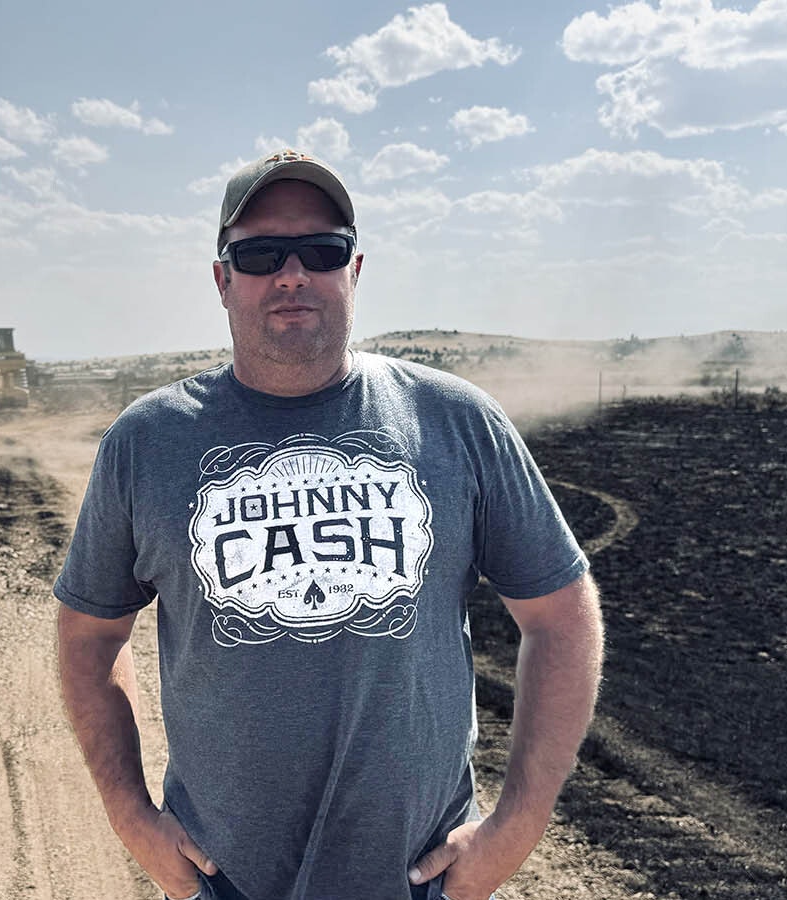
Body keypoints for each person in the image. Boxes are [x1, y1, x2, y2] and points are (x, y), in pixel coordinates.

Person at [55, 148, 604, 900]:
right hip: (227, 887)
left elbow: (563, 616)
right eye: (258, 254)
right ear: (222, 279)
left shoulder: (457, 422)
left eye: (322, 250)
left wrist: (517, 824)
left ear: (355, 269)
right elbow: (89, 636)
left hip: (417, 885)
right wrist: (130, 815)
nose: (291, 273)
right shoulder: (147, 442)